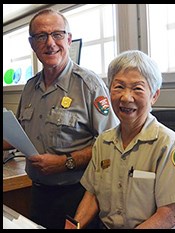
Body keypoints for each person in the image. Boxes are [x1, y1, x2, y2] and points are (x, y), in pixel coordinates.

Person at [3, 8, 119, 229]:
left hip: (78, 195)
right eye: (41, 36)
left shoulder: (88, 85)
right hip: (38, 193)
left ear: (68, 39)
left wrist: (66, 162)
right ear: (32, 44)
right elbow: (21, 135)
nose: (50, 43)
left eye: (57, 34)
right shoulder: (30, 87)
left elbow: (111, 145)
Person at [65, 50, 175, 229]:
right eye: (118, 87)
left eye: (137, 88)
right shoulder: (103, 142)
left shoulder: (167, 143)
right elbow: (93, 195)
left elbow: (169, 215)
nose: (126, 97)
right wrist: (75, 226)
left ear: (154, 96)